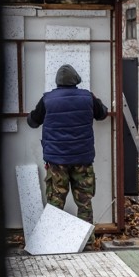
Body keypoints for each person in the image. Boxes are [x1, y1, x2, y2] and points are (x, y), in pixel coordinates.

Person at [27, 64, 108, 225]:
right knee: (84, 203)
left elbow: (33, 122)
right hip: (82, 160)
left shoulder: (47, 99)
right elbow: (102, 114)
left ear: (57, 81)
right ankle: (88, 243)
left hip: (57, 162)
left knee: (55, 202)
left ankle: (53, 242)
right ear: (76, 80)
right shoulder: (87, 97)